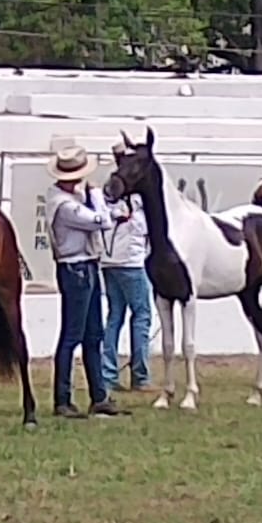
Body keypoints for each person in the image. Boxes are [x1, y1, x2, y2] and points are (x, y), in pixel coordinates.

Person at [44, 143, 127, 419]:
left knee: (94, 334)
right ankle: (63, 399)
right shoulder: (65, 205)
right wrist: (97, 197)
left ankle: (98, 395)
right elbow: (100, 221)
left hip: (85, 265)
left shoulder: (67, 198)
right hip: (75, 268)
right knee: (72, 335)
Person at [101, 144, 153, 393]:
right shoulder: (135, 197)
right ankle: (140, 376)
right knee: (142, 316)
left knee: (115, 317)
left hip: (110, 262)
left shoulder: (108, 193)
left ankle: (108, 374)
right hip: (131, 262)